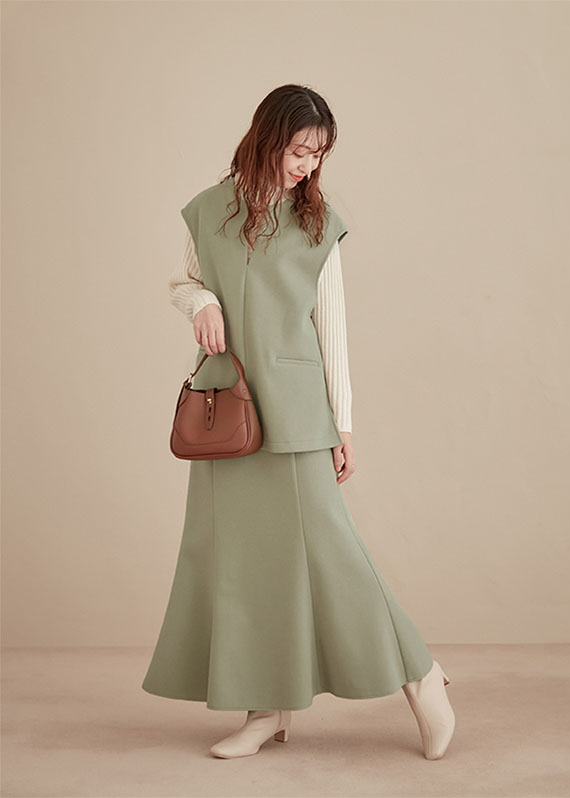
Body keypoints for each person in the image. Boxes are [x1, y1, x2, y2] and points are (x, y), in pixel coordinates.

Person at [141, 84, 455, 760]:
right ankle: (267, 711)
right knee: (244, 565)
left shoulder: (318, 224)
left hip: (297, 411)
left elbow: (331, 327)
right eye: (298, 151)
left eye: (318, 155)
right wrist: (200, 302)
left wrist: (344, 424)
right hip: (227, 412)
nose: (307, 166)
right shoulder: (207, 210)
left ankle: (422, 675)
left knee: (335, 555)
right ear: (266, 138)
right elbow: (182, 281)